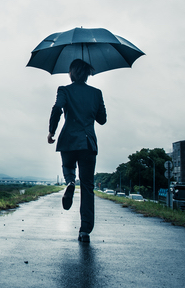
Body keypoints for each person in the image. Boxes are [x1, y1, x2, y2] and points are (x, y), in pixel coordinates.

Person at [48, 59, 107, 243]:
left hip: (68, 140)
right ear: (88, 74)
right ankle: (84, 231)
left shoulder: (64, 90)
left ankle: (70, 182)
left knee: (67, 167)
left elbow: (57, 108)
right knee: (88, 187)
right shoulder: (97, 93)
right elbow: (102, 119)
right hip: (88, 143)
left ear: (72, 73)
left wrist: (51, 131)